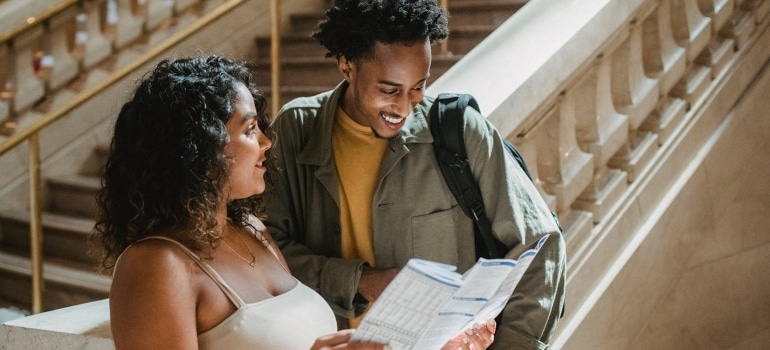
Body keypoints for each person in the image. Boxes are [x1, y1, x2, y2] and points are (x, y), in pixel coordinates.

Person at [263, 0, 567, 349]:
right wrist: (361, 281)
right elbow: (265, 253)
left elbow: (541, 243)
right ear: (347, 65)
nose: (405, 107)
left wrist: (513, 344)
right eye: (388, 90)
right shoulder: (295, 130)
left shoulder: (460, 131)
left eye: (418, 87)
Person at [93, 56, 390, 349]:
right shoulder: (155, 264)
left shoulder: (252, 229)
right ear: (198, 148)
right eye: (249, 129)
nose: (266, 142)